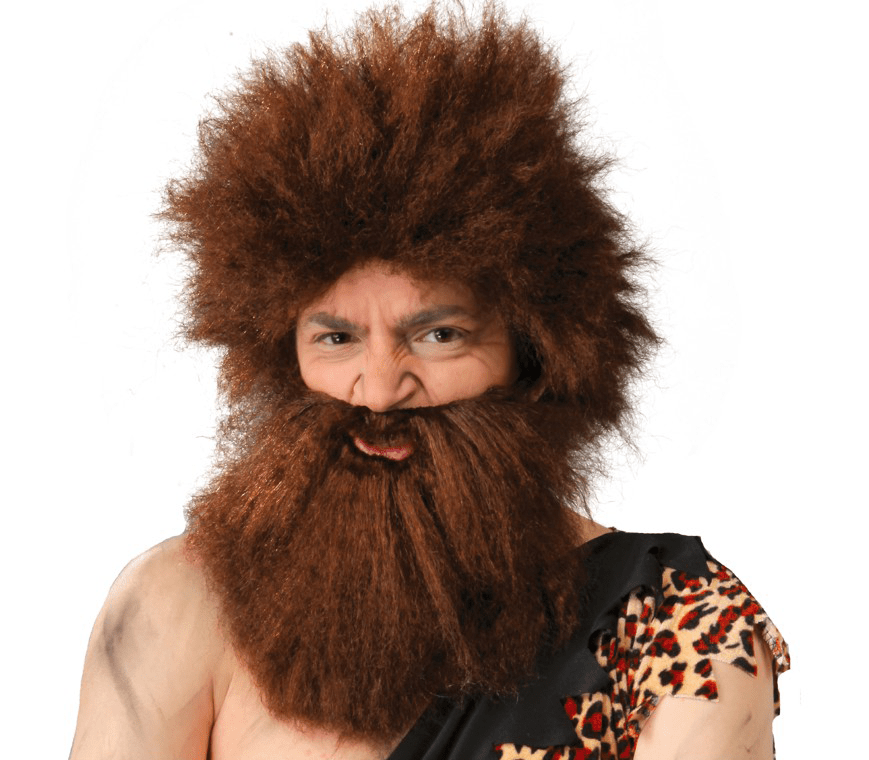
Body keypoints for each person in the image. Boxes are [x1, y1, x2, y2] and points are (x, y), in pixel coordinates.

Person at [69, 3, 789, 758]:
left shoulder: (680, 623)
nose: (379, 391)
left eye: (438, 335)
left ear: (535, 352)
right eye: (337, 339)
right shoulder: (176, 606)